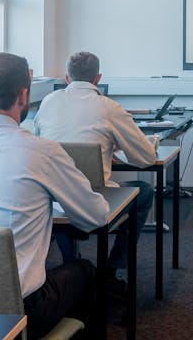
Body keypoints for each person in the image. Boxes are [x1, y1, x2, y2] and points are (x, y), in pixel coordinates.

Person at [0, 52, 110, 340]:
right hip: (21, 310)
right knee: (85, 271)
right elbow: (97, 216)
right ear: (23, 95)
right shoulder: (42, 152)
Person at [34, 51, 156, 285]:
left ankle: (72, 262)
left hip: (52, 201)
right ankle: (111, 269)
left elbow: (38, 144)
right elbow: (146, 158)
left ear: (67, 78)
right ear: (98, 78)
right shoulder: (109, 108)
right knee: (144, 191)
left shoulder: (49, 102)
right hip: (96, 198)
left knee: (61, 191)